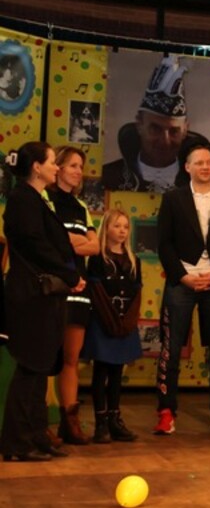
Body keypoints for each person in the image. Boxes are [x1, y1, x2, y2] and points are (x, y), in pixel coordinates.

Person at [1, 141, 85, 461]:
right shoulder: (22, 199)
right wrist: (69, 273)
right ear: (36, 167)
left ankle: (37, 435)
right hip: (31, 296)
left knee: (40, 369)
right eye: (52, 161)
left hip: (45, 296)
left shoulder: (38, 199)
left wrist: (69, 274)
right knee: (30, 367)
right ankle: (17, 443)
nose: (56, 167)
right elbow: (37, 245)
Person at [154, 139, 210, 435]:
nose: (205, 167)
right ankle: (166, 411)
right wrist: (182, 276)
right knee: (171, 349)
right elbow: (164, 243)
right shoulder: (173, 199)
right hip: (182, 281)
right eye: (199, 162)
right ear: (187, 167)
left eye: (209, 162)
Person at [49, 146, 100, 445]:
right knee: (47, 358)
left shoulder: (81, 207)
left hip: (80, 290)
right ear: (58, 167)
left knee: (71, 358)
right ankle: (42, 420)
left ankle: (70, 422)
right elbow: (51, 241)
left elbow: (95, 246)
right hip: (55, 289)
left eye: (81, 166)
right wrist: (76, 241)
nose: (79, 171)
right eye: (73, 165)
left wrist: (71, 241)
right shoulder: (46, 200)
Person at [102, 55, 210, 193]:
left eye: (174, 131)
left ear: (185, 130)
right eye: (155, 129)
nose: (165, 141)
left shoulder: (200, 183)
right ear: (140, 125)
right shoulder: (109, 176)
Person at [82, 208, 141, 443]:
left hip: (124, 324)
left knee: (117, 372)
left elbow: (136, 294)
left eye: (126, 227)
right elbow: (96, 292)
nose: (122, 231)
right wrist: (111, 321)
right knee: (101, 371)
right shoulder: (98, 259)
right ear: (106, 228)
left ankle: (115, 419)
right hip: (104, 322)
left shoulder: (133, 260)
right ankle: (101, 423)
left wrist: (127, 322)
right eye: (117, 226)